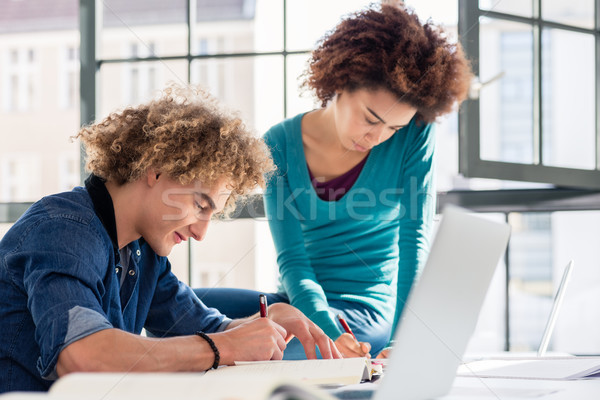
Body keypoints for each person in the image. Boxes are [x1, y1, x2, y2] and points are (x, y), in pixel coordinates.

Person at [0, 84, 341, 393]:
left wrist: (262, 322)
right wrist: (224, 346)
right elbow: (82, 355)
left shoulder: (141, 252)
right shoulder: (64, 229)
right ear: (157, 169)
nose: (201, 233)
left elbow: (208, 328)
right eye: (199, 205)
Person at [194, 2, 472, 359]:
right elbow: (293, 262)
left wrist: (404, 342)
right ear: (341, 82)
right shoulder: (278, 144)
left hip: (366, 314)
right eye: (371, 118)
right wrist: (323, 328)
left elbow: (413, 243)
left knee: (272, 349)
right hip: (299, 303)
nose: (378, 136)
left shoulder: (416, 136)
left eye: (393, 127)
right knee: (184, 313)